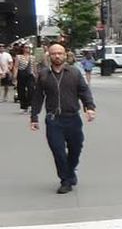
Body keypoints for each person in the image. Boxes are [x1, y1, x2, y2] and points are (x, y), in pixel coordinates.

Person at [29, 41, 97, 193]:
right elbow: (38, 97)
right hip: (54, 120)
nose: (57, 56)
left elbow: (84, 91)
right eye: (54, 53)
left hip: (72, 118)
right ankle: (65, 180)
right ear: (49, 56)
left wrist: (90, 107)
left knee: (76, 148)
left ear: (65, 55)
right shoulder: (44, 75)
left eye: (60, 53)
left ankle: (70, 171)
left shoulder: (74, 73)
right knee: (58, 151)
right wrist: (34, 117)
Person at [14, 43, 32, 110]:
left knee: (31, 89)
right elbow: (16, 66)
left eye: (28, 47)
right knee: (21, 90)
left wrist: (36, 75)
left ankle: (30, 103)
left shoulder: (32, 57)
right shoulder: (19, 57)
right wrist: (14, 76)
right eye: (26, 47)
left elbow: (34, 67)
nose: (27, 49)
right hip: (21, 74)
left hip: (30, 74)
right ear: (23, 48)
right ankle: (24, 105)